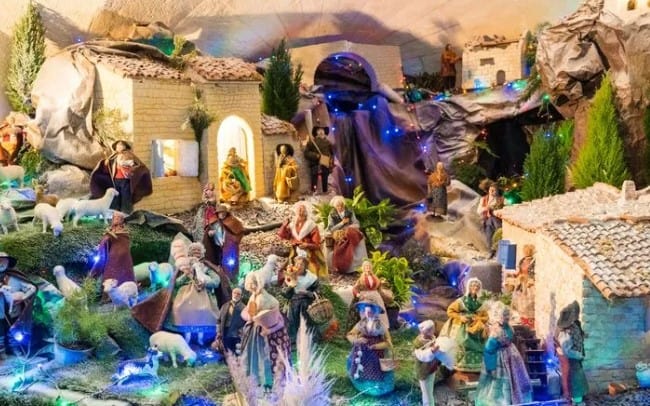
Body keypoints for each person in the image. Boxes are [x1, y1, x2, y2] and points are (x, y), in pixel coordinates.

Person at [240, 272, 291, 388]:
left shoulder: (265, 298)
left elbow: (277, 317)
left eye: (253, 283)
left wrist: (269, 329)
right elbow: (251, 312)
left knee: (266, 355)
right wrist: (249, 317)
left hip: (266, 330)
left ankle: (269, 380)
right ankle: (256, 378)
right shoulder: (253, 296)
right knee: (255, 354)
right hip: (255, 330)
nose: (251, 286)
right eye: (250, 284)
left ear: (258, 283)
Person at [476, 301, 532, 406]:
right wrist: (491, 366)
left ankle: (511, 399)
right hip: (504, 357)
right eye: (504, 317)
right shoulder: (500, 330)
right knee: (504, 380)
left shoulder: (505, 328)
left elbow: (490, 348)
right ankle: (506, 400)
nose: (505, 319)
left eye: (506, 317)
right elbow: (490, 348)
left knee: (511, 379)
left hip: (508, 357)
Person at [346, 296, 395, 397]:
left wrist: (377, 346)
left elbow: (388, 341)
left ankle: (375, 384)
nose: (368, 313)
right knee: (359, 363)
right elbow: (350, 334)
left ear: (376, 311)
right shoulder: (361, 323)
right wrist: (356, 340)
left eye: (371, 311)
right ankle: (361, 380)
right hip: (362, 348)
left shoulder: (381, 325)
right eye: (366, 311)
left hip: (376, 351)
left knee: (374, 364)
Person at [439, 277, 488, 372]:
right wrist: (460, 317)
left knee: (479, 343)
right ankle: (459, 364)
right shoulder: (461, 301)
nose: (475, 288)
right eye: (473, 286)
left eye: (477, 286)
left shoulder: (480, 302)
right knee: (463, 341)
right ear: (469, 287)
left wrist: (478, 319)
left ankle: (475, 366)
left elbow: (486, 316)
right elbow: (450, 311)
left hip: (475, 326)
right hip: (463, 326)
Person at [90, 140, 152, 214]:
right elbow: (109, 165)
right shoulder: (114, 156)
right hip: (115, 180)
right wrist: (106, 162)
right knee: (116, 197)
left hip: (125, 180)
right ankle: (115, 213)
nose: (119, 146)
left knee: (126, 197)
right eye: (118, 145)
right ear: (115, 147)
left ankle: (126, 214)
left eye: (121, 145)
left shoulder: (129, 154)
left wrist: (129, 167)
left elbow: (137, 165)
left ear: (125, 146)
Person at [171, 256, 220, 346]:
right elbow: (176, 283)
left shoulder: (206, 269)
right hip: (186, 295)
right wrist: (185, 275)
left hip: (203, 295)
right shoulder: (184, 268)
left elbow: (216, 281)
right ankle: (187, 336)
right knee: (183, 309)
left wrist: (206, 283)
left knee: (204, 311)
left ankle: (200, 337)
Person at [0, 253, 37, 359]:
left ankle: (15, 349)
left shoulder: (15, 277)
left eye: (3, 261)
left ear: (8, 263)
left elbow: (32, 288)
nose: (1, 263)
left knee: (14, 331)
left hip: (14, 313)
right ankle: (2, 352)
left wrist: (23, 297)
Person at [278, 202, 327, 279]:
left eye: (303, 210)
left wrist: (306, 245)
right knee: (289, 268)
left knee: (311, 269)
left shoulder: (311, 225)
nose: (300, 212)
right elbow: (283, 236)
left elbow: (317, 244)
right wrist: (284, 226)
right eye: (299, 210)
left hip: (309, 253)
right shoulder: (292, 224)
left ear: (306, 213)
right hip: (295, 252)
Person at [89, 211, 135, 286]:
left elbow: (124, 245)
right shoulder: (109, 232)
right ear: (112, 219)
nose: (116, 219)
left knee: (119, 275)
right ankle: (96, 282)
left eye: (118, 217)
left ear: (122, 220)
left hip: (120, 258)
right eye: (115, 217)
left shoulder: (124, 234)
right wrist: (102, 244)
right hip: (111, 257)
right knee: (109, 276)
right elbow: (105, 243)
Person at [555, 301, 588, 405]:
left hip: (576, 360)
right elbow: (567, 351)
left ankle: (578, 400)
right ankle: (576, 402)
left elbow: (578, 336)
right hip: (572, 360)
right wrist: (578, 355)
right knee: (575, 381)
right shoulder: (565, 332)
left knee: (578, 380)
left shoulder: (575, 325)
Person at [326, 195, 367, 274]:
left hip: (350, 232)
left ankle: (359, 265)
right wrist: (342, 223)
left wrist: (349, 227)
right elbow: (330, 229)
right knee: (343, 244)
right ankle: (347, 268)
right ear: (335, 207)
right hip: (339, 234)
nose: (340, 207)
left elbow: (357, 224)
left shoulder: (350, 212)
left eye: (341, 205)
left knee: (359, 240)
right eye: (338, 206)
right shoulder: (332, 215)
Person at [282, 255, 319, 341]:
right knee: (293, 316)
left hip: (307, 302)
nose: (298, 266)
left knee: (305, 313)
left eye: (301, 264)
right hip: (294, 302)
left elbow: (318, 292)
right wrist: (291, 286)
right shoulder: (290, 275)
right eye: (297, 264)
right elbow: (284, 293)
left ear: (305, 266)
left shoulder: (311, 278)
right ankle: (293, 337)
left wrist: (307, 293)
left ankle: (309, 336)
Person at [203, 204, 245, 280]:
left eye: (223, 212)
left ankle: (230, 276)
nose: (222, 214)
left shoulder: (232, 221)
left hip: (228, 247)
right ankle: (219, 273)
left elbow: (240, 230)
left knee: (229, 262)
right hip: (217, 245)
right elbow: (208, 231)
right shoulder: (214, 222)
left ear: (226, 213)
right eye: (220, 212)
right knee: (218, 259)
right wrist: (209, 233)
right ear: (217, 214)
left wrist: (235, 240)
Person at [347, 260, 392, 331]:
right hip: (366, 297)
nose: (367, 268)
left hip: (375, 296)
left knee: (378, 311)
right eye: (366, 267)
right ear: (363, 268)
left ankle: (381, 328)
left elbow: (379, 287)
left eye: (368, 266)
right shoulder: (361, 279)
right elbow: (355, 288)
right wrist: (358, 294)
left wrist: (384, 291)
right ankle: (368, 328)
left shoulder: (375, 277)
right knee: (367, 312)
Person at [187, 242, 232, 309]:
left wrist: (205, 283)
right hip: (189, 299)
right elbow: (177, 282)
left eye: (198, 250)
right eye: (194, 250)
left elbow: (216, 281)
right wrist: (187, 275)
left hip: (206, 299)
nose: (196, 251)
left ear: (202, 253)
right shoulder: (185, 265)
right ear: (190, 252)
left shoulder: (207, 266)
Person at [413, 320, 441, 406]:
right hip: (424, 371)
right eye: (431, 329)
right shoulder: (419, 343)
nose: (433, 330)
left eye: (433, 328)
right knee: (427, 393)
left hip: (432, 368)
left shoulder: (433, 338)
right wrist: (432, 351)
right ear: (425, 331)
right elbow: (422, 356)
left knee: (429, 390)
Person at [509, 244, 536, 328]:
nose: (526, 252)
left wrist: (529, 280)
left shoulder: (533, 262)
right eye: (525, 251)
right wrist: (514, 275)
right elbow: (520, 272)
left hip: (529, 286)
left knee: (528, 305)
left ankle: (530, 325)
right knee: (520, 304)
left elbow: (534, 275)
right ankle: (523, 323)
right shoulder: (522, 260)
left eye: (527, 251)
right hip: (521, 284)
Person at [212, 287, 245, 354]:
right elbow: (219, 320)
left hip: (236, 334)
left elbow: (245, 322)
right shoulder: (225, 306)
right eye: (234, 293)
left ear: (241, 296)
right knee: (225, 350)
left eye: (238, 294)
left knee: (235, 352)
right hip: (225, 332)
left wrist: (242, 331)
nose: (236, 295)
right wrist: (218, 332)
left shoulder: (244, 308)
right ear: (232, 294)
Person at [303, 126, 333, 195]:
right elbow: (306, 153)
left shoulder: (328, 143)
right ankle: (314, 190)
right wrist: (316, 156)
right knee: (314, 178)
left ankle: (325, 191)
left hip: (325, 163)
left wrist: (331, 161)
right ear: (316, 132)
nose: (321, 131)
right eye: (319, 130)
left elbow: (331, 153)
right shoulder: (312, 142)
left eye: (322, 130)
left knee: (325, 177)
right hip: (315, 164)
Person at [477, 183, 504, 255]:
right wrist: (486, 208)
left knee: (490, 224)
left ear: (497, 191)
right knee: (489, 224)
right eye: (490, 190)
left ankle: (491, 251)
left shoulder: (501, 199)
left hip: (497, 220)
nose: (491, 192)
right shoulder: (484, 199)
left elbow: (506, 209)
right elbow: (479, 211)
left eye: (494, 190)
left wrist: (497, 212)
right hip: (486, 220)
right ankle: (491, 249)